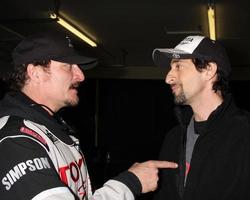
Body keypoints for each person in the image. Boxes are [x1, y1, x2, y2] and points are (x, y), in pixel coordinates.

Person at [0, 33, 178, 200]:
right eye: (68, 66)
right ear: (35, 73)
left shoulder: (54, 130)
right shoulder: (14, 139)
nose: (81, 76)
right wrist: (131, 183)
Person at [152, 35, 250, 200]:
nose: (168, 78)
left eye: (178, 66)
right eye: (170, 68)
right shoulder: (173, 138)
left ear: (209, 70)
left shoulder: (245, 134)